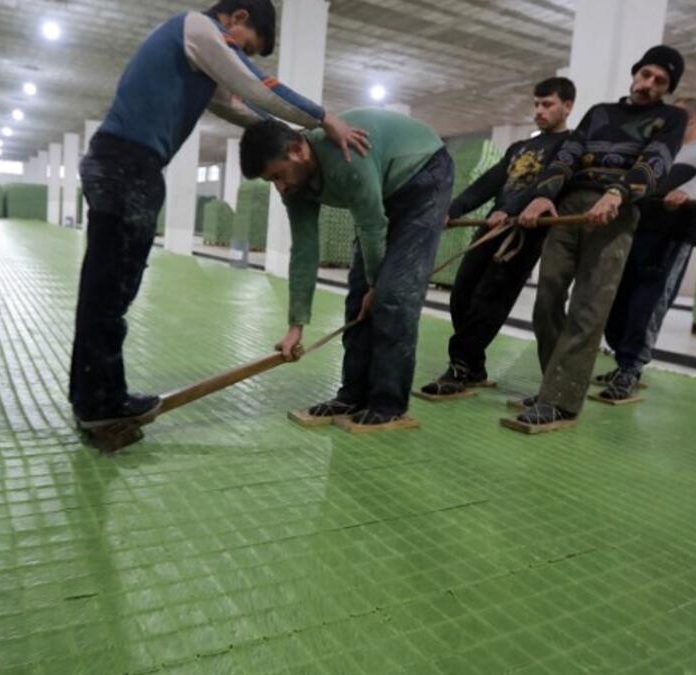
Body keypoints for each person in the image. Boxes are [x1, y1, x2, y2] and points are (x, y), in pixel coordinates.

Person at [69, 0, 369, 432]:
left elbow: (241, 109)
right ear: (238, 17)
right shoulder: (199, 29)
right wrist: (326, 119)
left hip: (119, 163)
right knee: (110, 290)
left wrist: (287, 136)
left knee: (104, 288)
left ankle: (92, 396)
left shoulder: (195, 55)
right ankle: (101, 401)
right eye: (245, 45)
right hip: (126, 166)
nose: (240, 54)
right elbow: (255, 87)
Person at [509, 45, 688, 432]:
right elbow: (568, 155)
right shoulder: (600, 113)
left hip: (616, 214)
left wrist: (618, 193)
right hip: (569, 207)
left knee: (588, 309)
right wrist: (543, 194)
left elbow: (655, 162)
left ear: (667, 88)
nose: (650, 84)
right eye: (646, 75)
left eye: (660, 81)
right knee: (547, 301)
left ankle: (560, 401)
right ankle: (553, 384)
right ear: (635, 73)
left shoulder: (671, 118)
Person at [239, 108, 453, 429]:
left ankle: (388, 403)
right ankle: (351, 395)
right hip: (381, 189)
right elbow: (305, 250)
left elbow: (371, 226)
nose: (280, 187)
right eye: (272, 181)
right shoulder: (294, 186)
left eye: (278, 175)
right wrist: (296, 324)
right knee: (357, 302)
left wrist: (376, 286)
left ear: (298, 150)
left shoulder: (344, 159)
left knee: (393, 296)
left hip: (423, 175)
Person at [418, 77, 575, 398]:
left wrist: (514, 209)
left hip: (522, 234)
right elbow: (488, 183)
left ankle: (460, 366)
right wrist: (453, 209)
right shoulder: (520, 147)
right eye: (536, 104)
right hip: (492, 227)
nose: (539, 111)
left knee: (489, 300)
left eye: (548, 104)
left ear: (567, 106)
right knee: (461, 293)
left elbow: (546, 183)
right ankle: (473, 366)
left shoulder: (569, 147)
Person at [597, 97, 696, 400]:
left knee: (648, 303)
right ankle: (621, 361)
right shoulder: (660, 152)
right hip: (635, 231)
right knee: (618, 302)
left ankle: (631, 367)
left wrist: (686, 191)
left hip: (670, 236)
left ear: (692, 120)